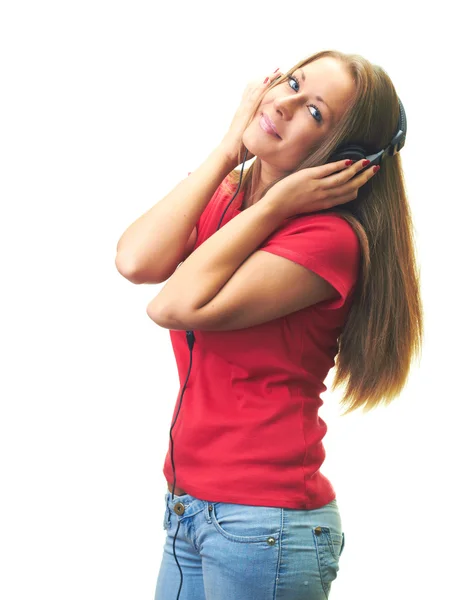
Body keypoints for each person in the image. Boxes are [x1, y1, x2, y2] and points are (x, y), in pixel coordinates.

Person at [115, 49, 423, 600]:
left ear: (346, 157)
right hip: (189, 509)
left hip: (265, 527)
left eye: (315, 112)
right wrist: (227, 149)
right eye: (293, 82)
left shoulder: (329, 240)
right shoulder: (230, 194)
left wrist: (275, 207)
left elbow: (171, 305)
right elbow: (136, 261)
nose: (283, 104)